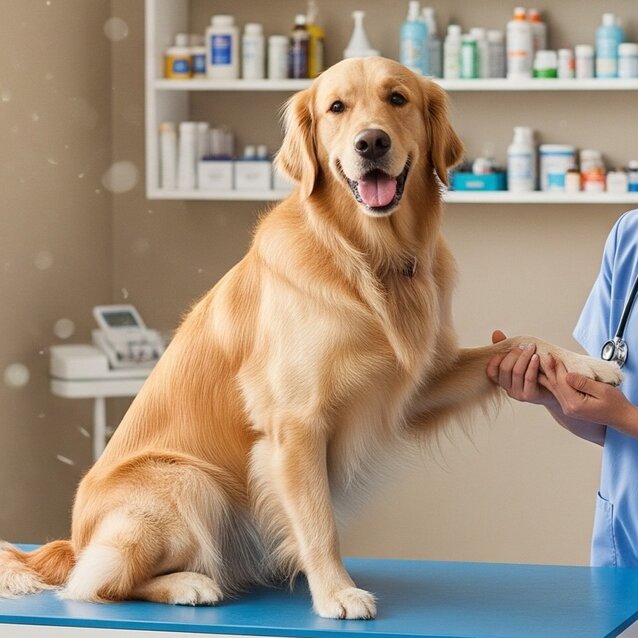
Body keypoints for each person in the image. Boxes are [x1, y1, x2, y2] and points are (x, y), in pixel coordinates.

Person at [486, 209, 638, 568]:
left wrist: (626, 417)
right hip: (626, 556)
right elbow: (608, 426)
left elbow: (622, 415)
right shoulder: (629, 237)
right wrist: (555, 396)